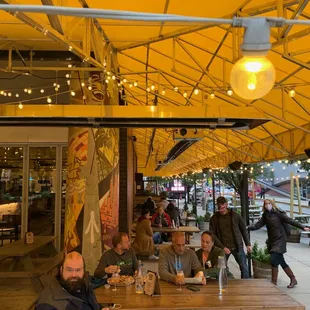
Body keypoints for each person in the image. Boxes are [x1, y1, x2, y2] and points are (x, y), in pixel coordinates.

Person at [248, 199, 310, 288]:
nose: (267, 205)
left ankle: (274, 283)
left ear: (272, 204)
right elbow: (257, 225)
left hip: (280, 239)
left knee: (274, 258)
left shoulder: (279, 213)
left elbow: (290, 221)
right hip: (273, 241)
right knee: (281, 260)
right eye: (265, 204)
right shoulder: (265, 216)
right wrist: (247, 228)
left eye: (269, 203)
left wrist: (303, 227)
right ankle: (293, 279)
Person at [35, 251, 108, 310]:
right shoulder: (47, 304)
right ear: (61, 270)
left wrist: (101, 308)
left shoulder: (83, 283)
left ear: (83, 270)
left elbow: (88, 304)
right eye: (69, 270)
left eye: (78, 270)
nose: (74, 275)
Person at [209, 196, 252, 279]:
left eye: (223, 207)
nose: (221, 209)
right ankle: (223, 285)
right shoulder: (214, 218)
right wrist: (223, 247)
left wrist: (248, 244)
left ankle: (246, 286)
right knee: (220, 269)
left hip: (237, 246)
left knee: (244, 267)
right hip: (223, 248)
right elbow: (212, 234)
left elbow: (243, 230)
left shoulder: (235, 216)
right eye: (219, 207)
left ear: (226, 205)